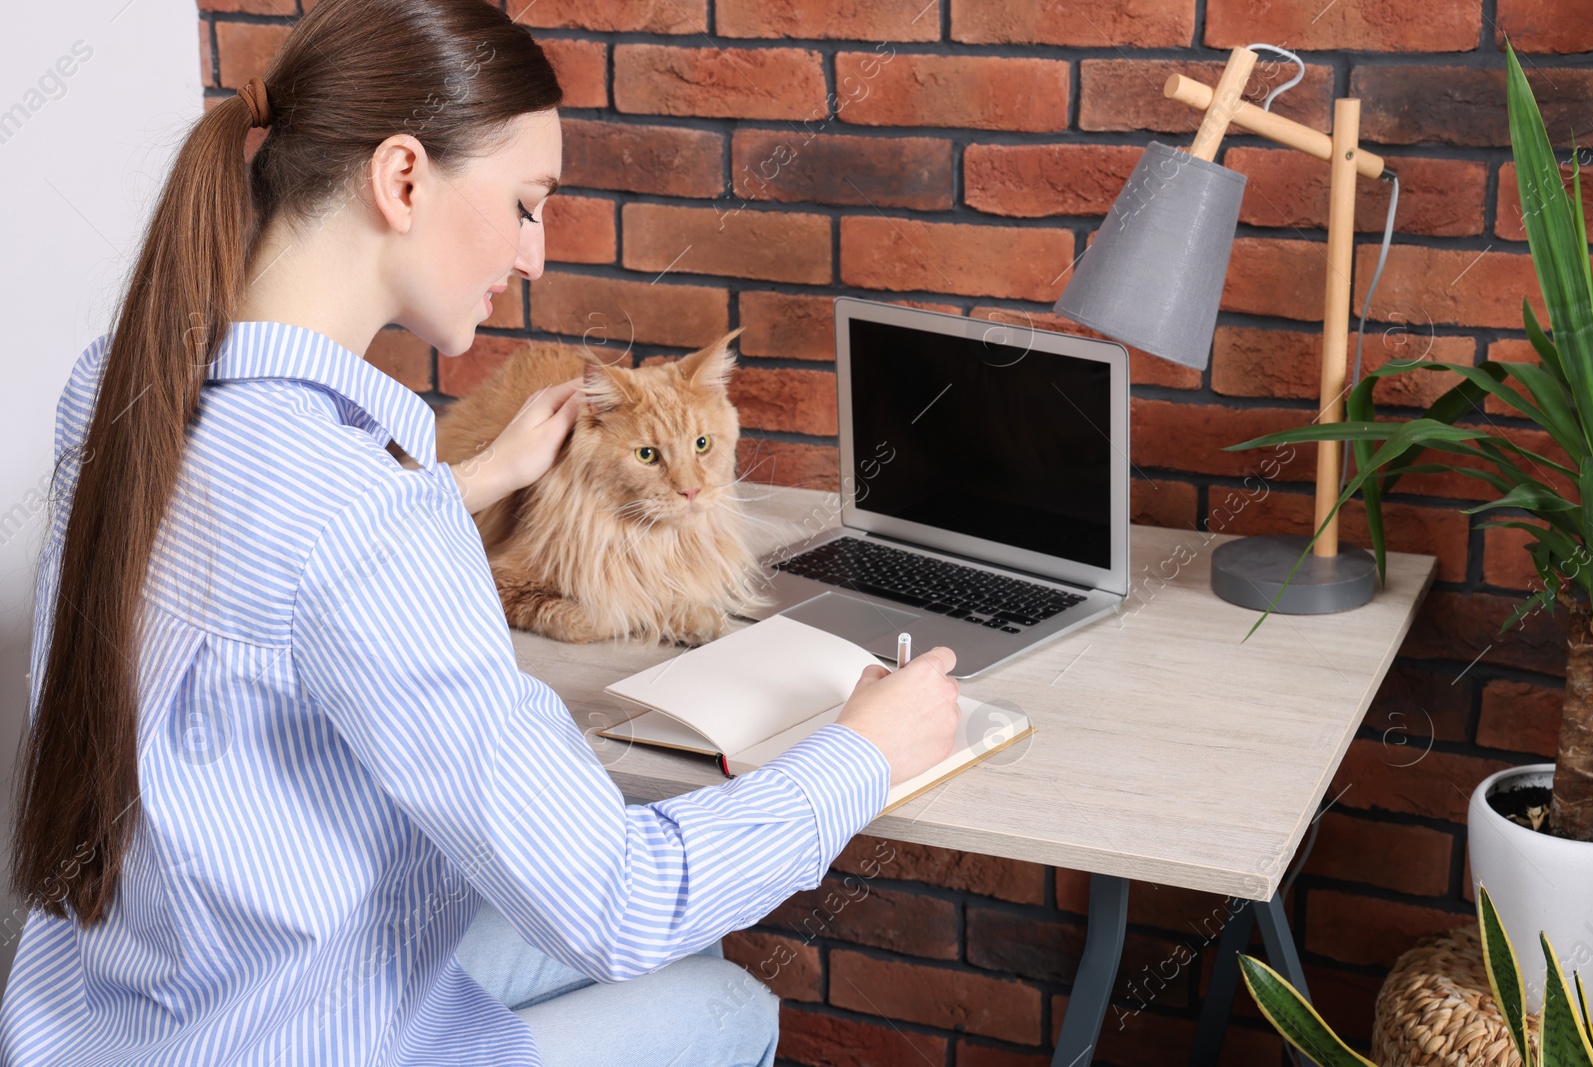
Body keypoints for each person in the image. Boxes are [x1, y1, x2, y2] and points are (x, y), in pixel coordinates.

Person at [0, 1, 963, 1064]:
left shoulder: (121, 384)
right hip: (289, 1032)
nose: (535, 254)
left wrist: (469, 481)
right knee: (724, 1003)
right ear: (402, 179)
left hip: (116, 1010)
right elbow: (619, 901)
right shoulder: (368, 513)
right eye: (524, 204)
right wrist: (863, 755)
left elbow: (259, 554)